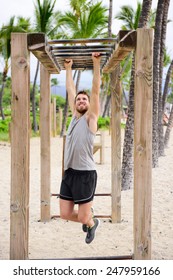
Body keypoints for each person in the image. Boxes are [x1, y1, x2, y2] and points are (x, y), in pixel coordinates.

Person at [59, 52, 101, 244]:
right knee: (64, 214)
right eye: (79, 100)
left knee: (84, 218)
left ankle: (90, 222)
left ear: (89, 104)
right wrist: (68, 68)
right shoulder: (74, 118)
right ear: (75, 104)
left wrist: (96, 63)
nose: (81, 101)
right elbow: (70, 89)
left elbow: (96, 91)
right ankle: (89, 219)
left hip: (85, 174)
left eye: (84, 100)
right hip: (69, 173)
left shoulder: (90, 119)